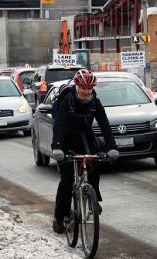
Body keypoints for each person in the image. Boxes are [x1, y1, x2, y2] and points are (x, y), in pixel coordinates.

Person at [50, 69, 118, 234]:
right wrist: (57, 147)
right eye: (83, 88)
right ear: (77, 86)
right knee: (66, 181)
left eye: (89, 89)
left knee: (94, 166)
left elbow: (104, 124)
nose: (86, 92)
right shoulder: (68, 100)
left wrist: (111, 147)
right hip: (65, 139)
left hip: (84, 137)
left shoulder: (95, 102)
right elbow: (59, 124)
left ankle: (93, 198)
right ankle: (60, 217)